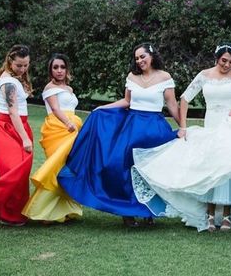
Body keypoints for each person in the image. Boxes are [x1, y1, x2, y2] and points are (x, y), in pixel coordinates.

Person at [132, 43, 231, 232]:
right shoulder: (204, 75)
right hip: (212, 124)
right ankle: (210, 214)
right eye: (224, 61)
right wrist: (183, 126)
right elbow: (185, 99)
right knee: (212, 167)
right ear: (217, 58)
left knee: (229, 168)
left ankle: (227, 216)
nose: (227, 65)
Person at [58, 43, 182, 227]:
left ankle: (149, 212)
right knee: (124, 168)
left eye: (142, 56)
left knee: (150, 170)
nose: (139, 61)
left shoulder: (165, 77)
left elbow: (172, 104)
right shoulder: (132, 76)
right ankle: (128, 213)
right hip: (132, 127)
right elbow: (126, 101)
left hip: (154, 128)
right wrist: (101, 108)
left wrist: (183, 127)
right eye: (137, 58)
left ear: (152, 55)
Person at [22, 53, 83, 223]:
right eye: (55, 67)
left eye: (62, 67)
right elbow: (56, 109)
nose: (59, 70)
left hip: (72, 129)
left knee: (67, 167)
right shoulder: (50, 88)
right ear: (50, 70)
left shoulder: (69, 89)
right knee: (56, 167)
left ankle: (62, 210)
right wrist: (68, 123)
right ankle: (43, 211)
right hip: (59, 128)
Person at [0, 44, 34, 226]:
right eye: (19, 65)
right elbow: (12, 112)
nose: (23, 69)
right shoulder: (8, 82)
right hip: (8, 128)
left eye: (26, 65)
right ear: (10, 61)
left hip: (19, 126)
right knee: (14, 170)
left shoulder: (15, 78)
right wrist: (24, 137)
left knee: (22, 171)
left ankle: (16, 213)